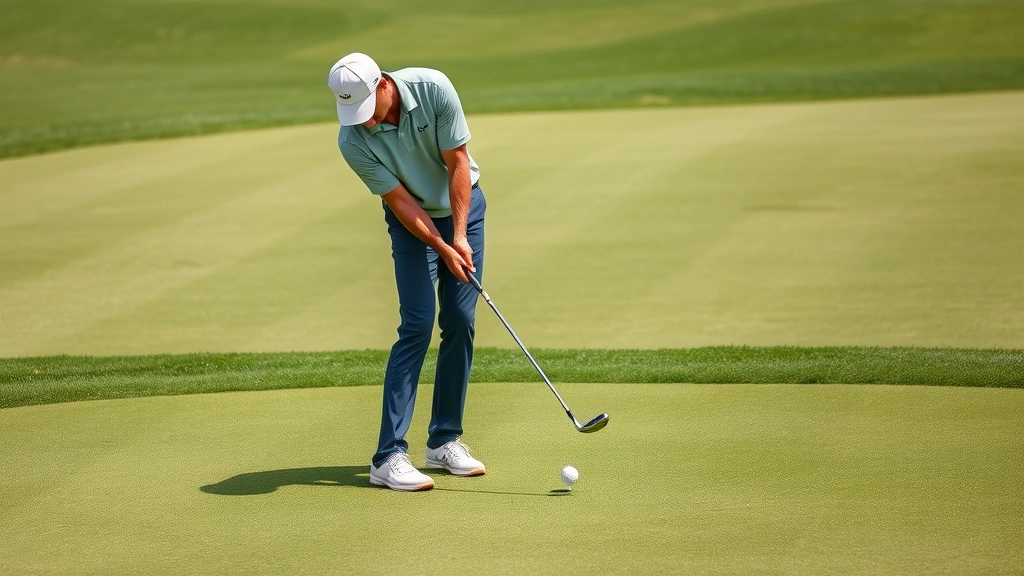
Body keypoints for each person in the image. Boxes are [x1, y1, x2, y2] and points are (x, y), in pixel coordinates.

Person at [327, 52, 487, 492]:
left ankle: (445, 441)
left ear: (382, 85)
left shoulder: (433, 88)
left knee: (460, 320)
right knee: (417, 325)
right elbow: (399, 201)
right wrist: (441, 246)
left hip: (464, 209)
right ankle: (388, 457)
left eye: (367, 109)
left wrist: (458, 237)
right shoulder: (351, 140)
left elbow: (458, 162)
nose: (363, 121)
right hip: (412, 222)